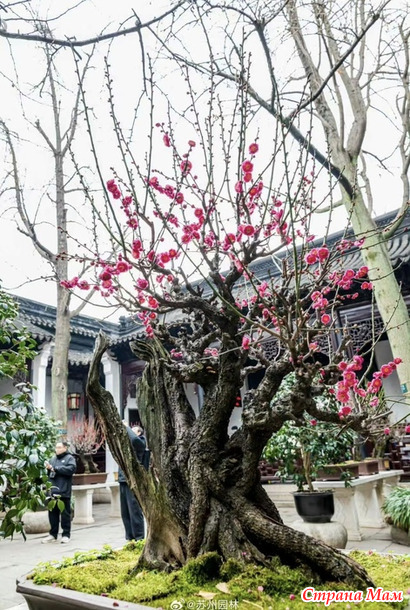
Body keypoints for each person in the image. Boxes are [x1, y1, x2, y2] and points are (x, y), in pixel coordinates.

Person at [42, 440, 76, 544]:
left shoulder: (70, 458)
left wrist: (56, 468)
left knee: (65, 514)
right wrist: (48, 468)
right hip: (52, 491)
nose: (57, 449)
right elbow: (50, 473)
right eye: (56, 447)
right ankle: (53, 534)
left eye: (59, 447)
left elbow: (71, 469)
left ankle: (66, 535)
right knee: (52, 514)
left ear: (65, 448)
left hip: (63, 491)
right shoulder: (53, 459)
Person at [118, 421, 146, 541]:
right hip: (123, 480)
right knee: (125, 512)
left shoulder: (141, 442)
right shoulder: (126, 445)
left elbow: (134, 440)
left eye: (133, 430)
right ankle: (129, 537)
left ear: (139, 433)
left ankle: (139, 537)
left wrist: (126, 427)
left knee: (134, 510)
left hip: (134, 480)